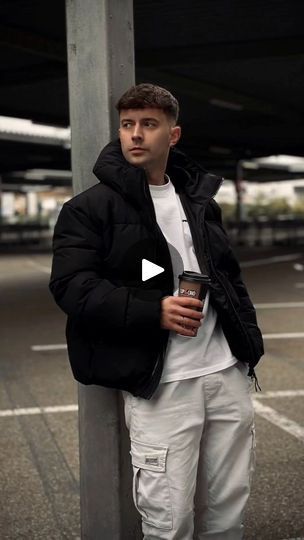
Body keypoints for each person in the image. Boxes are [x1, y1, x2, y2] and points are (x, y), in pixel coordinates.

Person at [49, 83, 264, 539]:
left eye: (149, 124)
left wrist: (246, 347)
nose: (136, 135)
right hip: (162, 383)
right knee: (169, 519)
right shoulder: (88, 209)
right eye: (128, 125)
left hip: (225, 372)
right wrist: (154, 310)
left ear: (174, 134)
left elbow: (228, 276)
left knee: (227, 509)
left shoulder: (199, 201)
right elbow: (71, 286)